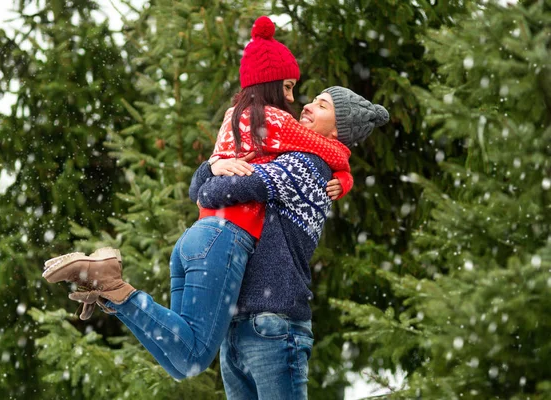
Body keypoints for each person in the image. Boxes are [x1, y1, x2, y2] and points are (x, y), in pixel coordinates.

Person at [42, 16, 354, 380]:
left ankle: (112, 290)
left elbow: (199, 190)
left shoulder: (233, 117)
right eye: (287, 87)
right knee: (193, 354)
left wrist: (210, 169)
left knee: (183, 361)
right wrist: (344, 165)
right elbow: (317, 149)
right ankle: (111, 281)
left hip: (196, 238)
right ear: (269, 84)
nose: (292, 99)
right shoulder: (274, 123)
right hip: (226, 238)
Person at [190, 86, 389, 399]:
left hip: (273, 324)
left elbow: (213, 193)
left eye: (322, 106)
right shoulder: (292, 157)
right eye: (313, 99)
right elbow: (204, 187)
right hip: (242, 326)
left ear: (338, 129)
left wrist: (211, 174)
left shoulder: (308, 165)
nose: (308, 105)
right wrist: (211, 169)